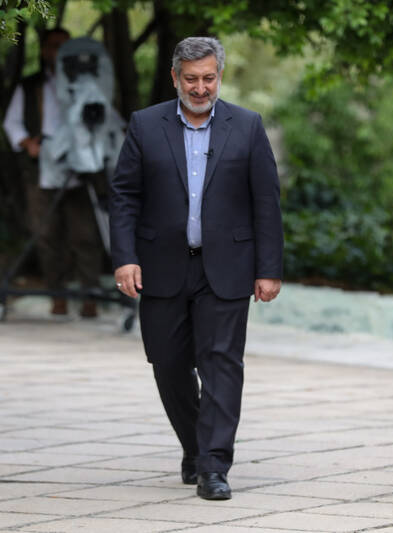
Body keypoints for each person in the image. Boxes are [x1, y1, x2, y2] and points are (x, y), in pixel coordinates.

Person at [109, 36, 283, 501]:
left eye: (208, 78)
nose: (200, 88)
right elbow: (124, 196)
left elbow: (266, 202)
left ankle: (213, 466)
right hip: (160, 266)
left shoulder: (247, 126)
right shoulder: (145, 125)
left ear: (219, 76)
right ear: (175, 78)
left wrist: (269, 268)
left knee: (222, 364)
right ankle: (195, 446)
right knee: (168, 363)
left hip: (227, 268)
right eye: (191, 79)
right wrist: (125, 257)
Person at [3, 27, 103, 317]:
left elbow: (102, 119)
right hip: (42, 168)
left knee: (85, 233)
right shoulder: (29, 86)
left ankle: (90, 295)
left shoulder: (87, 83)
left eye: (64, 46)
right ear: (45, 50)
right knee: (46, 233)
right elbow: (12, 123)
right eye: (54, 46)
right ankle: (57, 294)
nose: (59, 52)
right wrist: (28, 144)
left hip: (80, 168)